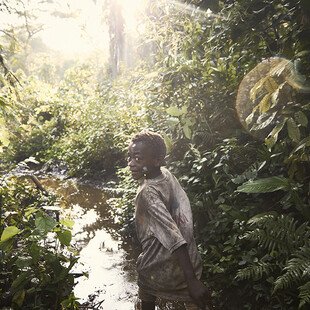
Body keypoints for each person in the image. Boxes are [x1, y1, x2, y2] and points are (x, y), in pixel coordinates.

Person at [127, 131, 213, 310]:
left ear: (157, 160)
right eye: (130, 158)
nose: (131, 164)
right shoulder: (165, 174)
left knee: (147, 290)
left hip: (160, 265)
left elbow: (173, 236)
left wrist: (192, 280)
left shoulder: (147, 193)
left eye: (138, 159)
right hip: (188, 258)